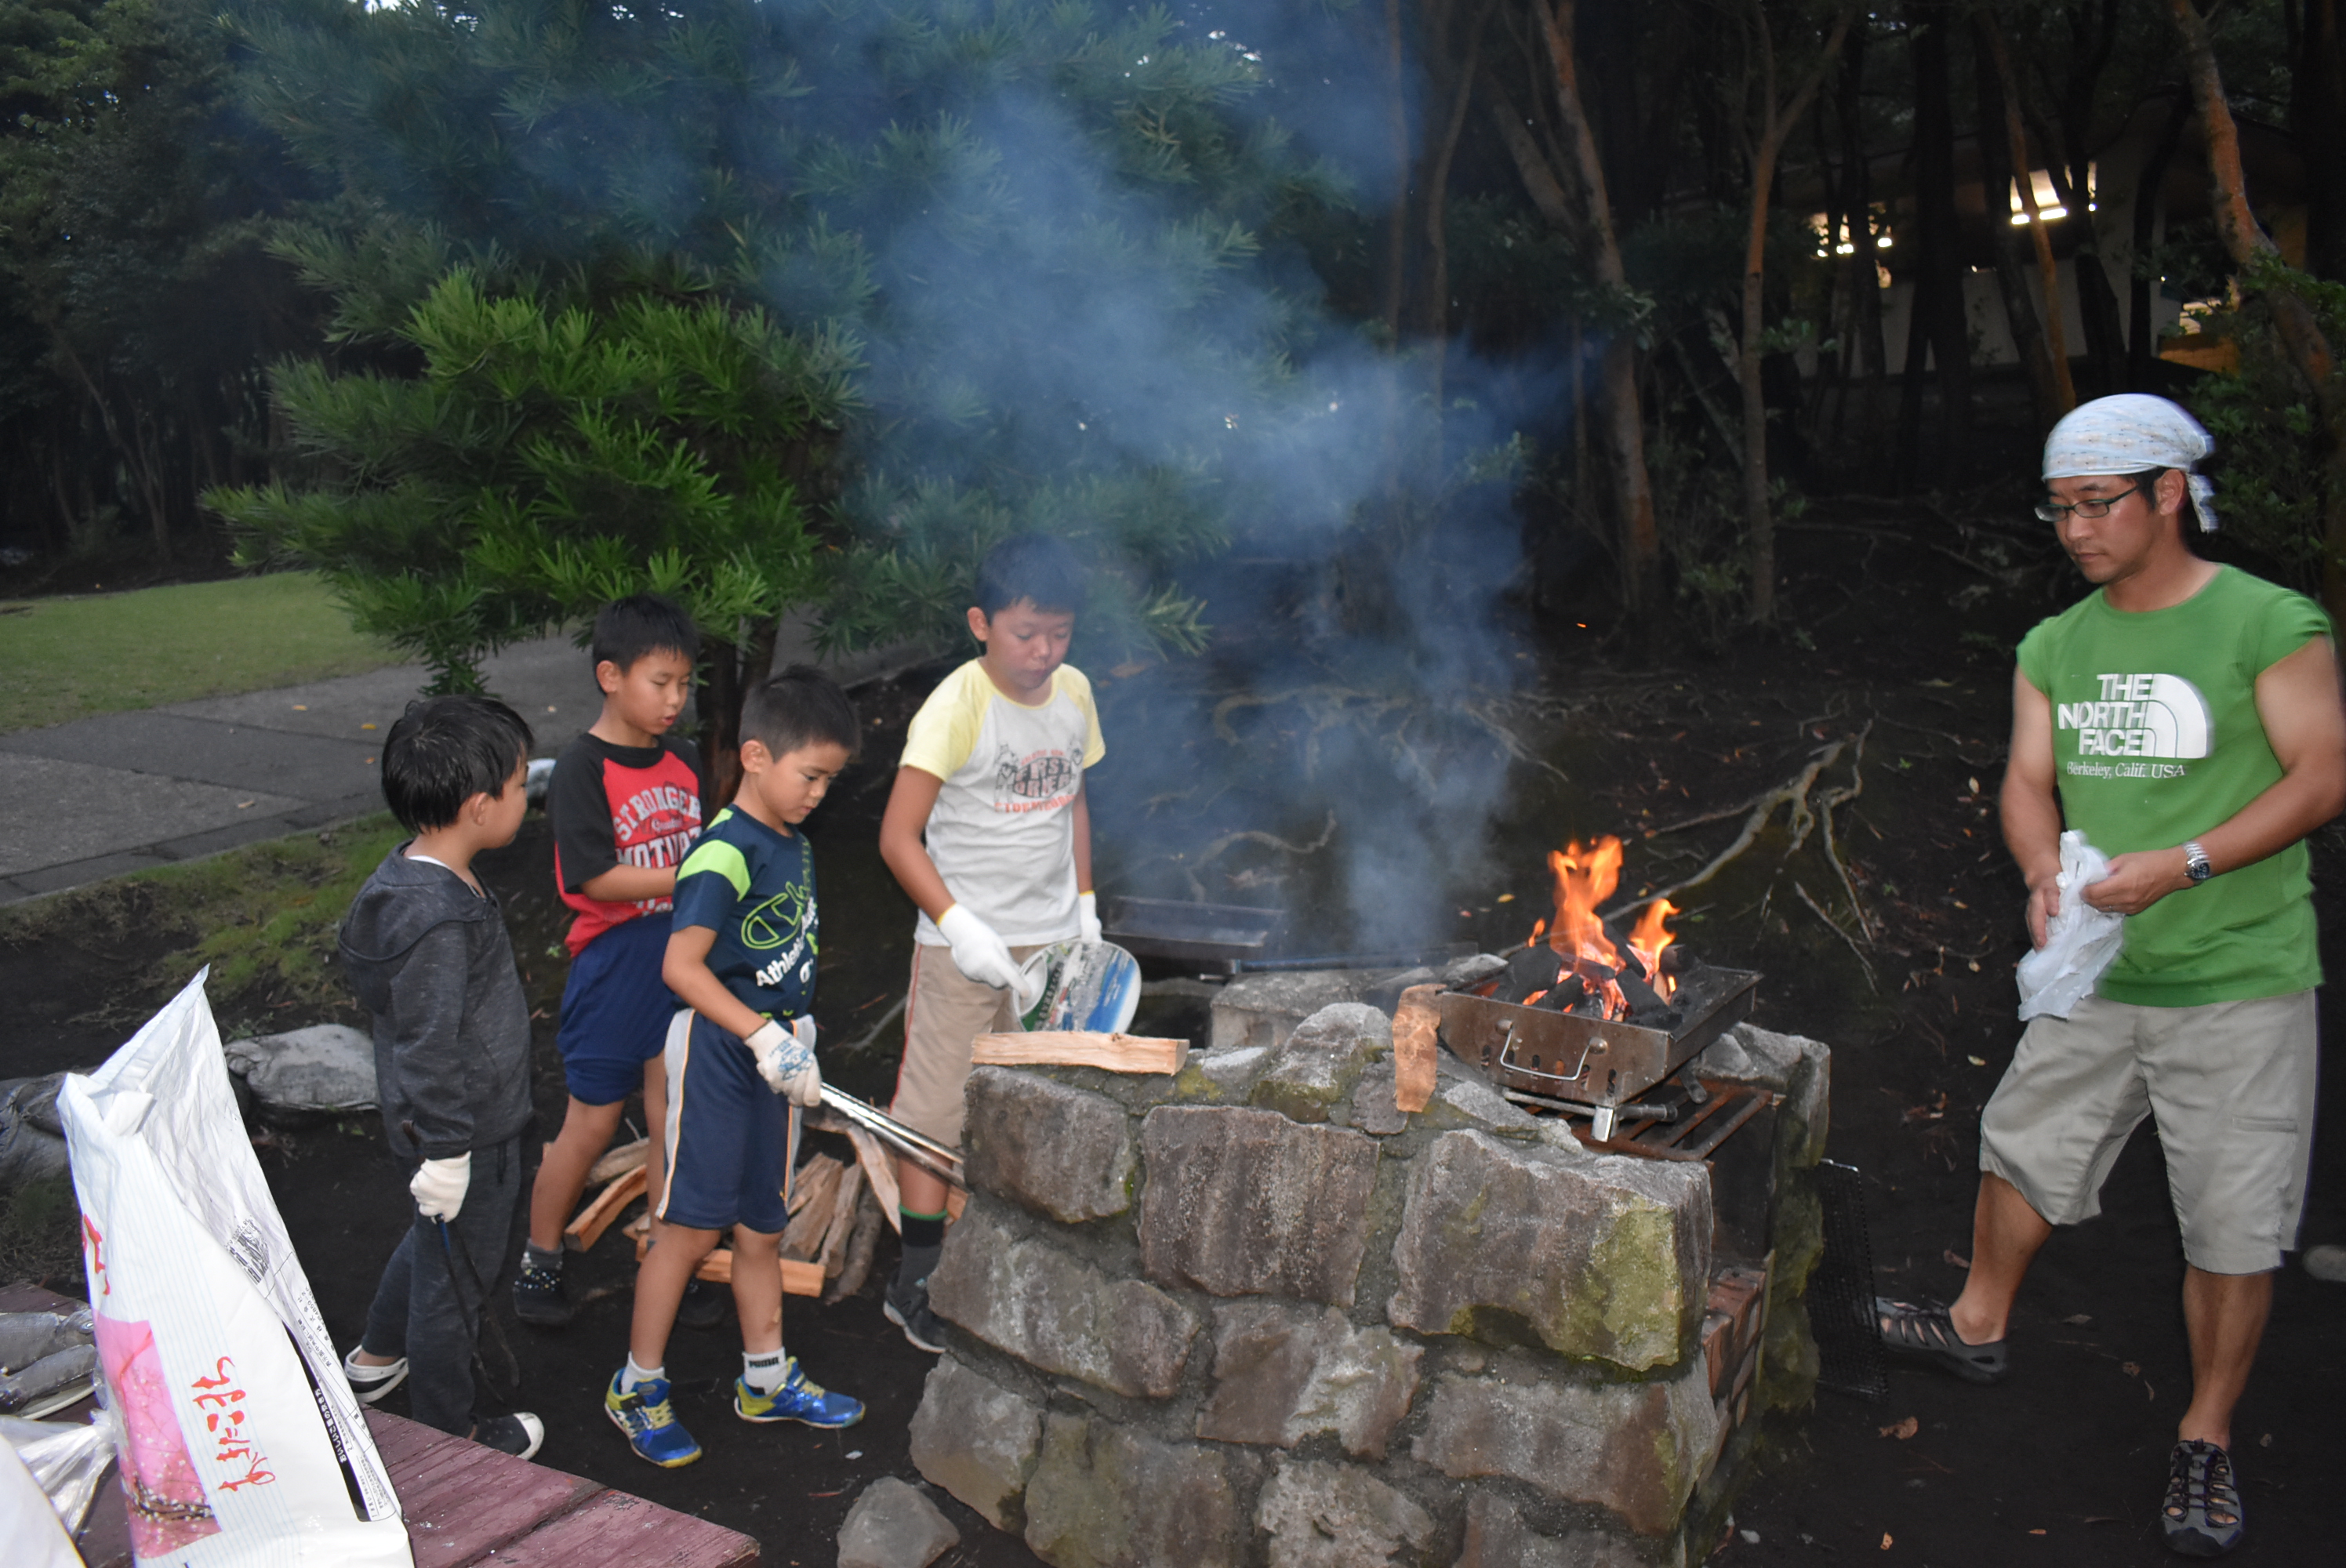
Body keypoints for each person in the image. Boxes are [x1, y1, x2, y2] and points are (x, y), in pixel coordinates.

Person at [1876, 394, 2346, 1559]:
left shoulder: (2267, 623)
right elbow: (2028, 780)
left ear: (2168, 494)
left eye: (2097, 505)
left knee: (2232, 1221)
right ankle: (1977, 1320)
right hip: (2098, 972)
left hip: (2238, 974)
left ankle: (2206, 1432)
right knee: (2023, 1141)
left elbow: (2322, 775)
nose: (2075, 530)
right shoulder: (2056, 644)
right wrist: (2043, 869)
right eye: (2061, 508)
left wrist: (2183, 863)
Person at [603, 666, 865, 1467]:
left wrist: (795, 1037)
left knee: (762, 1222)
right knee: (684, 1227)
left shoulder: (794, 841)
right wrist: (761, 1035)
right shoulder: (721, 852)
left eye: (829, 778)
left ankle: (764, 1375)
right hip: (721, 1049)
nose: (820, 791)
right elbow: (682, 967)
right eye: (809, 774)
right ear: (755, 755)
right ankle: (636, 1386)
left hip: (777, 1048)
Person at [877, 534, 1105, 1352]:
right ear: (981, 622)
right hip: (959, 949)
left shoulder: (1073, 692)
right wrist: (958, 924)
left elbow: (1074, 800)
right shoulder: (956, 705)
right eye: (1026, 633)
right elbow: (897, 836)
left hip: (1051, 945)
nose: (1044, 652)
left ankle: (1022, 1250)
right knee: (934, 1113)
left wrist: (1084, 904)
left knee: (1040, 1101)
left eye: (1060, 633)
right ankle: (918, 1276)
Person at [337, 695, 547, 1458]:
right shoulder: (439, 919)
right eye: (522, 785)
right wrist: (453, 1149)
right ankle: (448, 1432)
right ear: (480, 806)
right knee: (456, 1283)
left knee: (434, 1245)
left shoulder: (409, 879)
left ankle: (375, 1356)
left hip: (435, 1128)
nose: (529, 795)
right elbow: (429, 1042)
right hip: (467, 1134)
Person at [513, 594, 722, 1332]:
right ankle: (540, 1256)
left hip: (681, 962)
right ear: (610, 675)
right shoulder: (581, 768)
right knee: (592, 1123)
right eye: (659, 682)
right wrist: (694, 875)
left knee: (670, 1121)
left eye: (684, 684)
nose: (675, 699)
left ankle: (664, 1254)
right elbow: (594, 878)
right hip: (613, 969)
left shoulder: (686, 761)